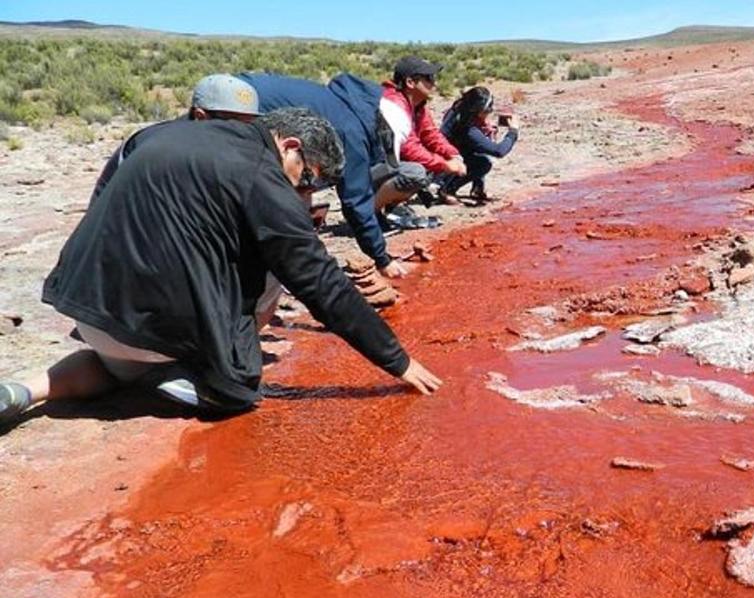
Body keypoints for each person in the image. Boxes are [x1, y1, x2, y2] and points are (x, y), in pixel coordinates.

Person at [0, 107, 441, 426]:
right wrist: (397, 361)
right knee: (240, 380)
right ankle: (191, 379)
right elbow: (320, 283)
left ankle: (23, 390)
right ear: (289, 146)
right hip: (150, 330)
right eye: (309, 180)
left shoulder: (166, 133)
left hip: (87, 306)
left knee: (114, 364)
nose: (305, 194)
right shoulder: (261, 175)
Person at [240, 72, 402, 275]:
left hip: (233, 95)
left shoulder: (350, 108)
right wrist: (382, 258)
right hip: (240, 109)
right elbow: (356, 202)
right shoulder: (352, 133)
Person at [92, 73, 260, 202]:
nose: (241, 133)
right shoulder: (158, 145)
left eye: (249, 125)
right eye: (232, 124)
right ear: (201, 116)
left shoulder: (208, 142)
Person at [377, 56, 467, 228]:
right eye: (428, 78)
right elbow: (409, 148)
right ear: (410, 82)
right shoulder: (394, 105)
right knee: (416, 172)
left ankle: (391, 206)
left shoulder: (417, 105)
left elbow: (430, 134)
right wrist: (445, 165)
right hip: (370, 166)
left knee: (424, 168)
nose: (433, 83)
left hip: (386, 164)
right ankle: (368, 214)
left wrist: (453, 154)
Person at [436, 86, 519, 204]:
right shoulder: (468, 129)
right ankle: (447, 189)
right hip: (447, 160)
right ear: (477, 111)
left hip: (451, 152)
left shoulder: (459, 109)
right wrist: (513, 132)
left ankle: (477, 189)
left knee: (479, 150)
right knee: (484, 163)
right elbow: (499, 151)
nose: (490, 111)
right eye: (487, 109)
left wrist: (484, 127)